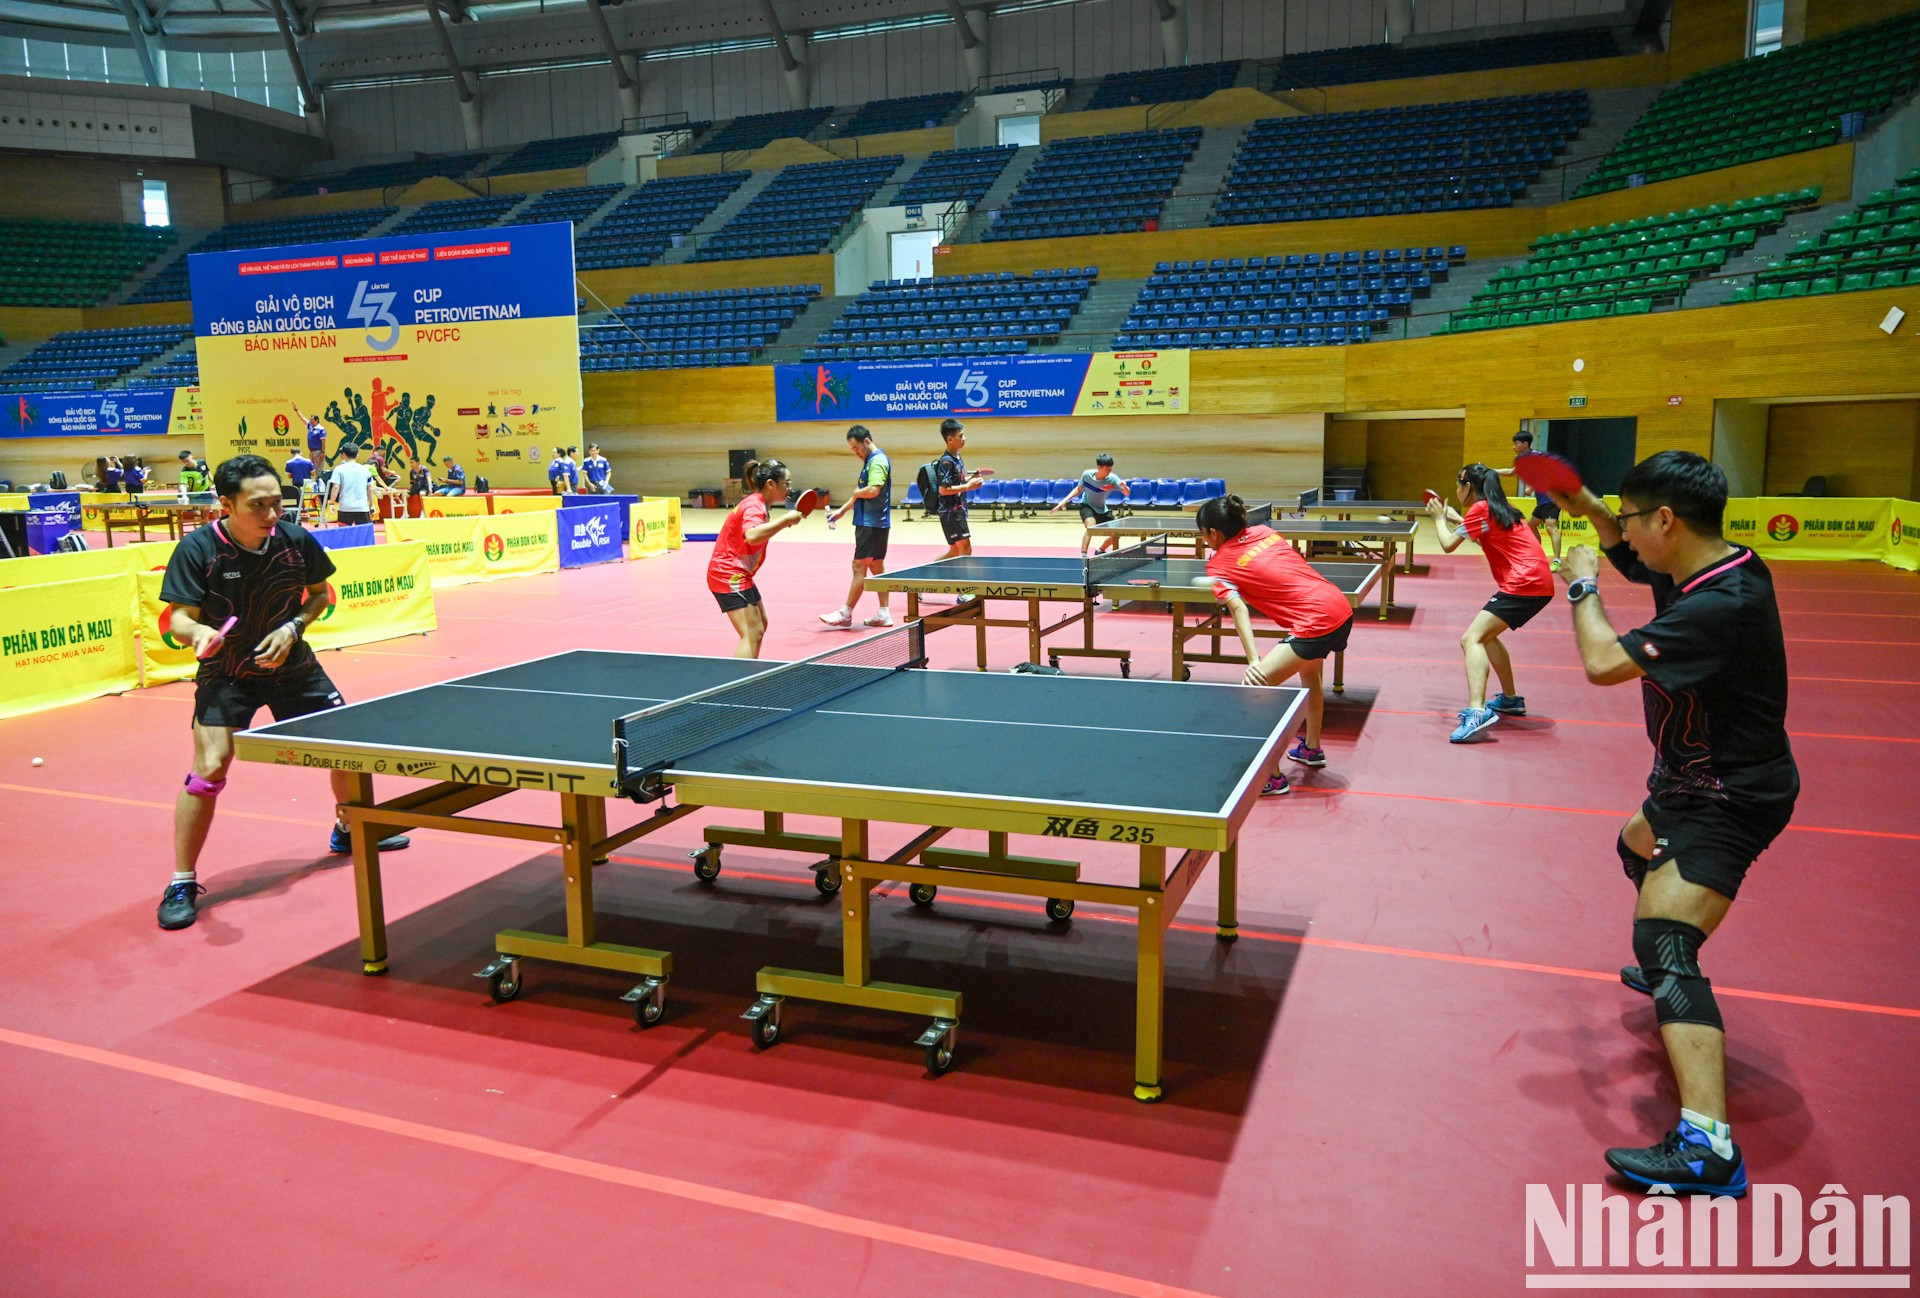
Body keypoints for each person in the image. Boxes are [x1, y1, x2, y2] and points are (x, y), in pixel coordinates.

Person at [1546, 450, 1796, 1196]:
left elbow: (1600, 662)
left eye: (1631, 518)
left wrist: (1581, 580)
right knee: (1633, 846)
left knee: (1665, 941)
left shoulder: (1720, 606)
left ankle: (1707, 1149)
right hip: (1688, 783)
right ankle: (1665, 964)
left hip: (1729, 795)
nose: (1623, 533)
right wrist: (1587, 500)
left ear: (1665, 520)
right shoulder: (1720, 564)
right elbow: (1638, 561)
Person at [154, 455, 410, 931]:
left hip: (292, 665)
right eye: (259, 505)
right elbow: (179, 617)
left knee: (345, 750)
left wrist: (294, 627)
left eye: (277, 502)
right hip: (226, 671)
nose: (272, 514)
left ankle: (348, 828)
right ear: (225, 503)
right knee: (209, 768)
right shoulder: (199, 549)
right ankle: (182, 880)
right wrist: (199, 634)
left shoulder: (293, 539)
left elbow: (319, 595)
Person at [1197, 495, 1356, 794]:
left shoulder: (1218, 566)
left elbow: (1238, 609)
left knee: (1255, 689)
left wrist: (1254, 661)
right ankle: (1311, 748)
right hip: (1339, 606)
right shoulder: (1266, 533)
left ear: (1213, 533)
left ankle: (1271, 776)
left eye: (1202, 533)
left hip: (1315, 620)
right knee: (1310, 675)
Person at [1426, 462, 1555, 743]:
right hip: (1539, 581)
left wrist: (1438, 519)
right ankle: (1510, 699)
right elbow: (1482, 536)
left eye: (1458, 485)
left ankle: (1477, 711)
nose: (1456, 490)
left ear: (1467, 487)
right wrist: (1455, 518)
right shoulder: (1501, 509)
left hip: (1524, 583)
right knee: (1488, 637)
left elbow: (1448, 545)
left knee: (1471, 639)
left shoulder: (1480, 510)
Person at [706, 458, 807, 658]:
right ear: (771, 484)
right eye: (786, 483)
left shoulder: (760, 505)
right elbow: (751, 536)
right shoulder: (754, 505)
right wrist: (785, 520)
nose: (790, 488)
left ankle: (748, 676)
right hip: (727, 574)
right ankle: (739, 683)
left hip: (740, 573)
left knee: (760, 626)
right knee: (751, 633)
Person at [820, 425, 894, 629]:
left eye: (856, 448)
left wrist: (857, 492)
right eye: (852, 449)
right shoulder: (872, 460)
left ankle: (846, 613)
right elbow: (860, 494)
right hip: (878, 523)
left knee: (859, 566)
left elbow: (873, 490)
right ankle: (884, 613)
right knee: (877, 567)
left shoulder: (877, 461)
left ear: (867, 441)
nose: (855, 452)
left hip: (870, 524)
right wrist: (842, 511)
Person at [1498, 428, 1566, 571]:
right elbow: (1511, 473)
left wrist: (1532, 486)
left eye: (1516, 443)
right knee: (1531, 526)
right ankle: (1539, 556)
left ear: (1525, 444)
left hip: (1552, 497)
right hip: (1542, 500)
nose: (1513, 447)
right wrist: (1490, 471)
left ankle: (1557, 560)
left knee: (1550, 526)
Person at [1051, 452, 1133, 556]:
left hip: (1103, 509)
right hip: (1087, 506)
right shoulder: (1087, 475)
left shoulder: (1112, 479)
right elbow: (1079, 489)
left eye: (1110, 469)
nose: (1109, 471)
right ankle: (1084, 555)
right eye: (1106, 469)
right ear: (1099, 467)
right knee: (1091, 527)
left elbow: (1127, 493)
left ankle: (1100, 550)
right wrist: (1064, 500)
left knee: (1117, 533)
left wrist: (1124, 486)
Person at [932, 418, 984, 560]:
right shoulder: (946, 461)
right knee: (965, 550)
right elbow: (943, 489)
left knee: (954, 552)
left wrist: (971, 479)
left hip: (956, 511)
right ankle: (962, 581)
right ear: (950, 439)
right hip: (951, 513)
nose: (964, 438)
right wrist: (968, 486)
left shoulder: (957, 457)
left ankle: (931, 571)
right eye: (960, 436)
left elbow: (956, 482)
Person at [327, 443, 376, 526]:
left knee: (344, 534)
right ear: (357, 455)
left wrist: (331, 503)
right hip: (362, 507)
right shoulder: (366, 470)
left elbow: (335, 487)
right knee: (363, 535)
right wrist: (372, 505)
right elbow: (370, 489)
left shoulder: (339, 469)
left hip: (345, 507)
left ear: (343, 455)